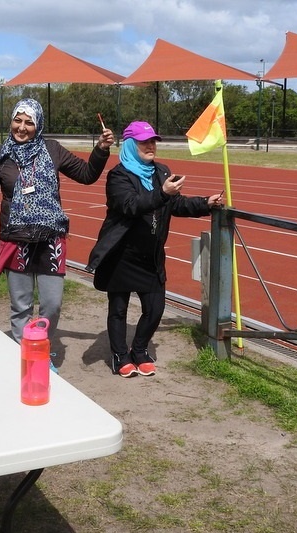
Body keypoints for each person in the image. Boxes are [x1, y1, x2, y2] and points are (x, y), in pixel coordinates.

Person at [86, 121, 224, 378]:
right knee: (118, 309)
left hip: (150, 256)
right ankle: (119, 355)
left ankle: (139, 350)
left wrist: (205, 203)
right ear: (130, 144)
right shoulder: (118, 176)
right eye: (143, 142)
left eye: (153, 141)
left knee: (155, 307)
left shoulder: (162, 171)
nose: (151, 146)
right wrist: (162, 193)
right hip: (121, 254)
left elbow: (176, 204)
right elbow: (130, 205)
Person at [0, 98, 115, 348]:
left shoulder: (52, 149)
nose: (22, 127)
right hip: (16, 238)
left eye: (29, 122)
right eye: (17, 121)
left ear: (38, 124)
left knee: (52, 304)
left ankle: (41, 349)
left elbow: (87, 175)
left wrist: (101, 150)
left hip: (51, 239)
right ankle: (23, 355)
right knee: (20, 305)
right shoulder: (0, 154)